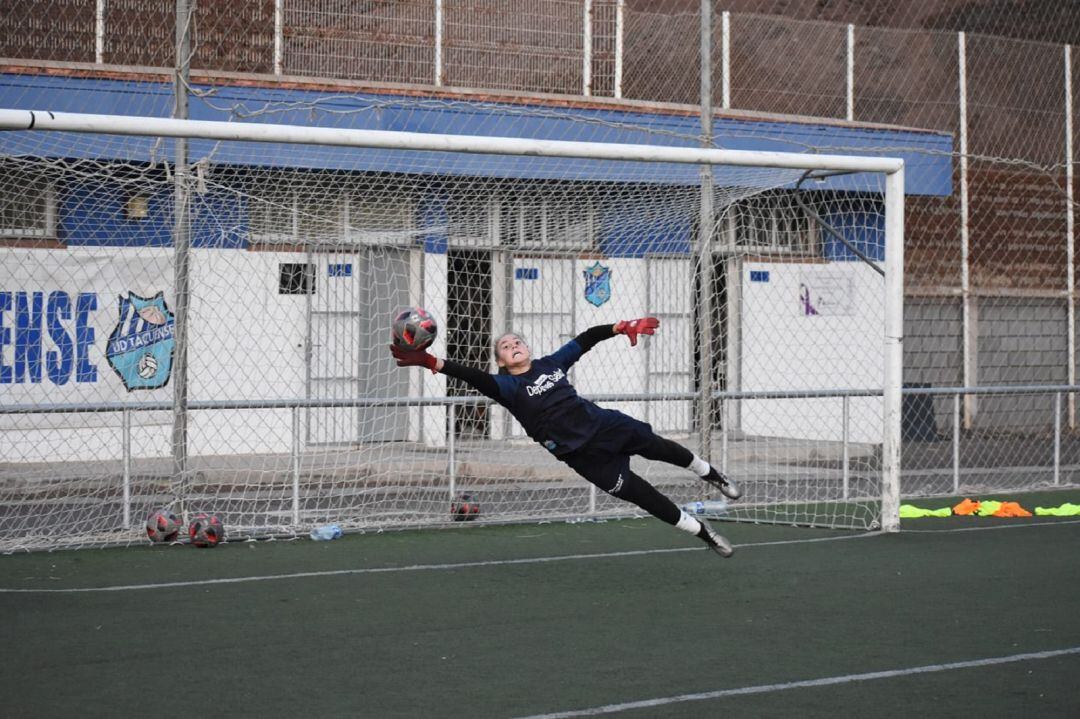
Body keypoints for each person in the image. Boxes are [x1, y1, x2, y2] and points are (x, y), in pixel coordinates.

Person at [389, 317, 741, 558]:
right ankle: (703, 533)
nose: (513, 345)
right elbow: (468, 376)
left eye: (517, 341)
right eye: (506, 346)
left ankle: (711, 474)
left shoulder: (552, 364)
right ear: (500, 361)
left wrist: (621, 327)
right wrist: (430, 361)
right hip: (585, 457)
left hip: (606, 427)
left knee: (659, 448)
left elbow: (586, 338)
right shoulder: (507, 387)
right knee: (645, 496)